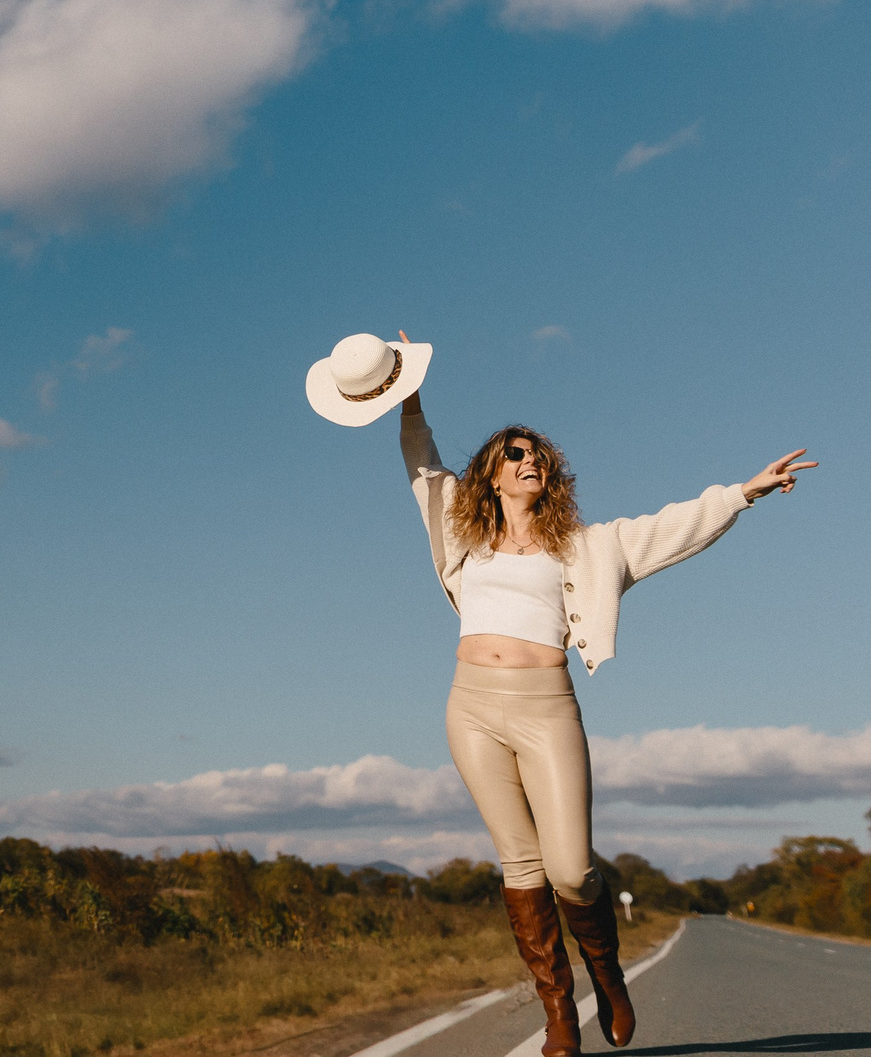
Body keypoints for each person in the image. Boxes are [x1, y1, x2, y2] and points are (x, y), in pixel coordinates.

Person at [307, 331, 813, 1057]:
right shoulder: (457, 529)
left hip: (546, 705)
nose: (530, 458)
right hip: (470, 706)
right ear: (489, 473)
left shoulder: (588, 546)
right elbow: (419, 454)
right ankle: (557, 1012)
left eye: (537, 452)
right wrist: (405, 385)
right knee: (521, 864)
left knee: (572, 866)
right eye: (514, 452)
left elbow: (673, 528)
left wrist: (743, 492)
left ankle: (606, 972)